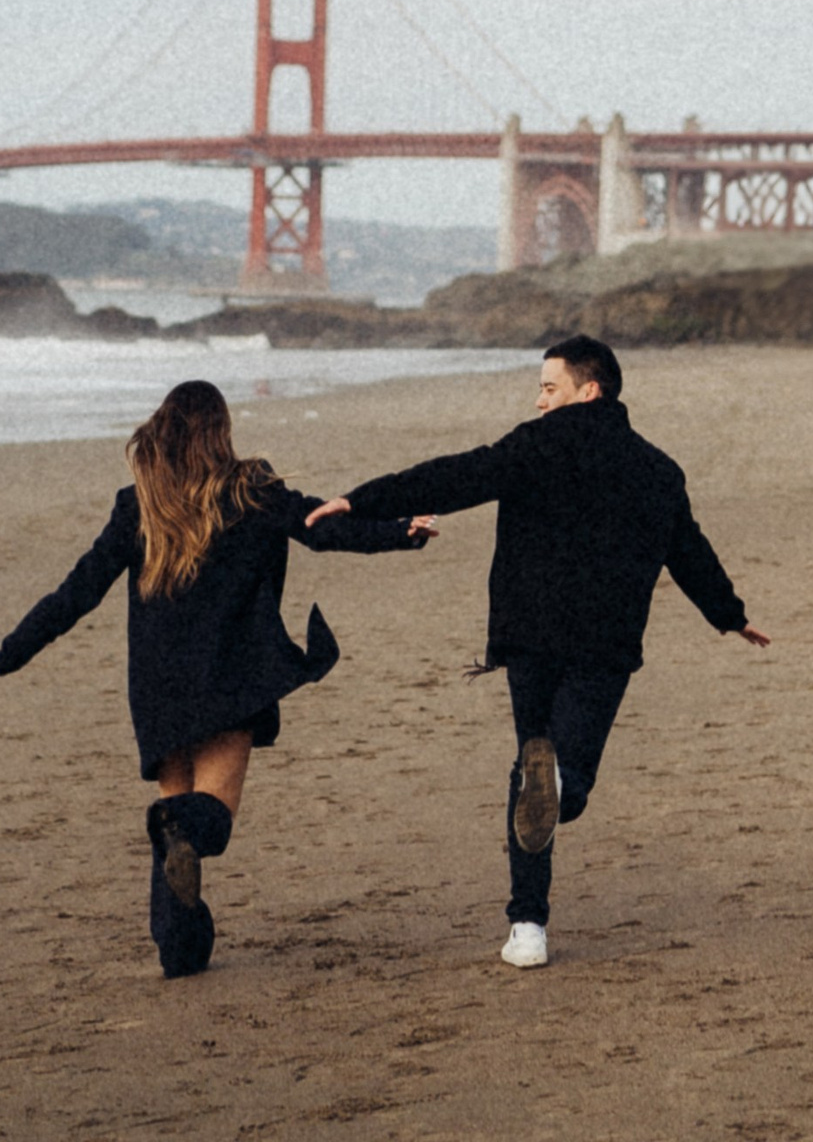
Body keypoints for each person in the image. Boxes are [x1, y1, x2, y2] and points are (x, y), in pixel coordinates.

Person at [311, 331, 767, 969]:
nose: (539, 402)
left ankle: (528, 926)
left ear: (591, 389)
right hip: (605, 643)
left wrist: (360, 500)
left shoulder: (536, 446)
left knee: (532, 771)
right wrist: (730, 616)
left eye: (549, 388)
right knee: (563, 779)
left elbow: (456, 475)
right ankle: (559, 791)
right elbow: (687, 551)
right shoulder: (658, 469)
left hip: (529, 637)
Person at [0, 376, 436, 975]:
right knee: (203, 822)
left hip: (159, 691)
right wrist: (401, 532)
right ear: (221, 433)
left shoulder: (139, 506)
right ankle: (182, 847)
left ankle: (180, 953)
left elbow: (78, 590)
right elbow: (322, 528)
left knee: (174, 829)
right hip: (230, 682)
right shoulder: (253, 490)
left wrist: (8, 655)